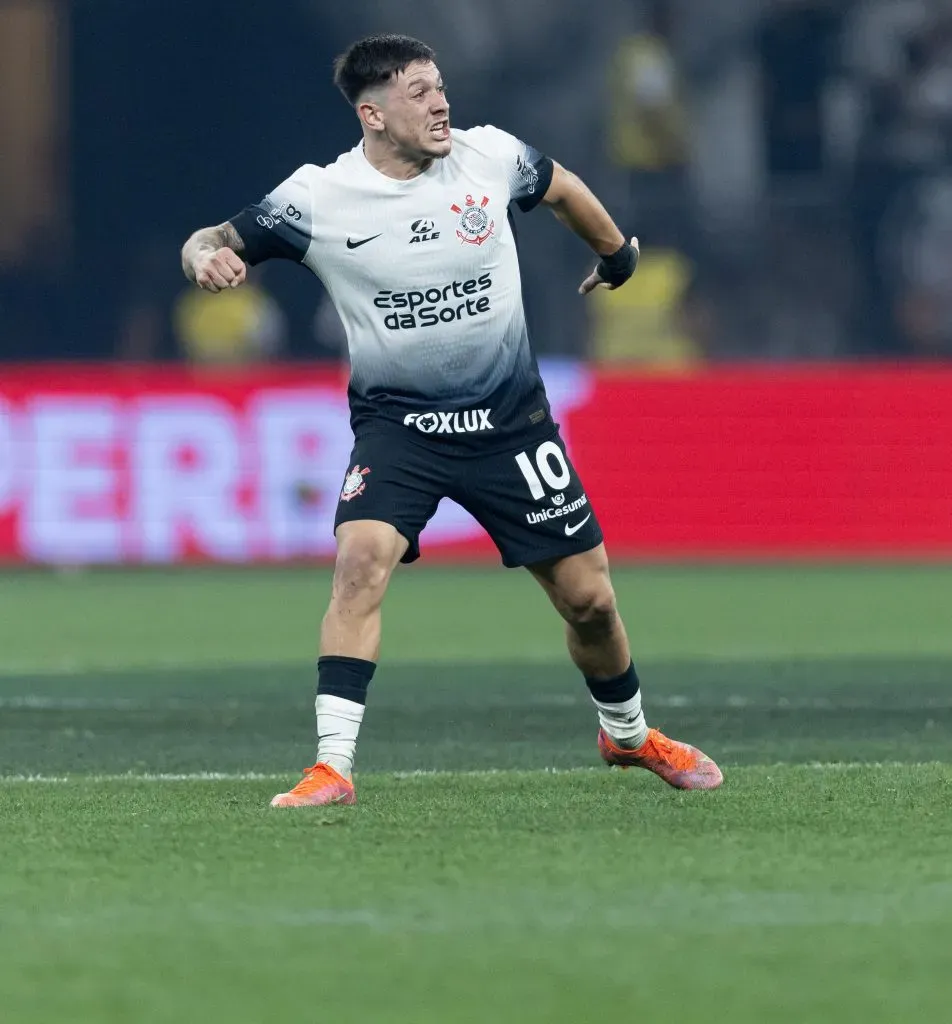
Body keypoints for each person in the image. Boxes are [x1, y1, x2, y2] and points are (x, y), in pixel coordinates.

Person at [180, 34, 722, 807]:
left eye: (440, 87)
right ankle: (332, 766)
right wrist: (204, 258)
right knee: (359, 562)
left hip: (510, 424)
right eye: (418, 92)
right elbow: (211, 238)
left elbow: (564, 188)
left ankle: (628, 735)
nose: (440, 103)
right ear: (372, 114)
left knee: (590, 600)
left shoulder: (487, 156)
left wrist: (617, 255)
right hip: (399, 430)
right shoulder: (317, 198)